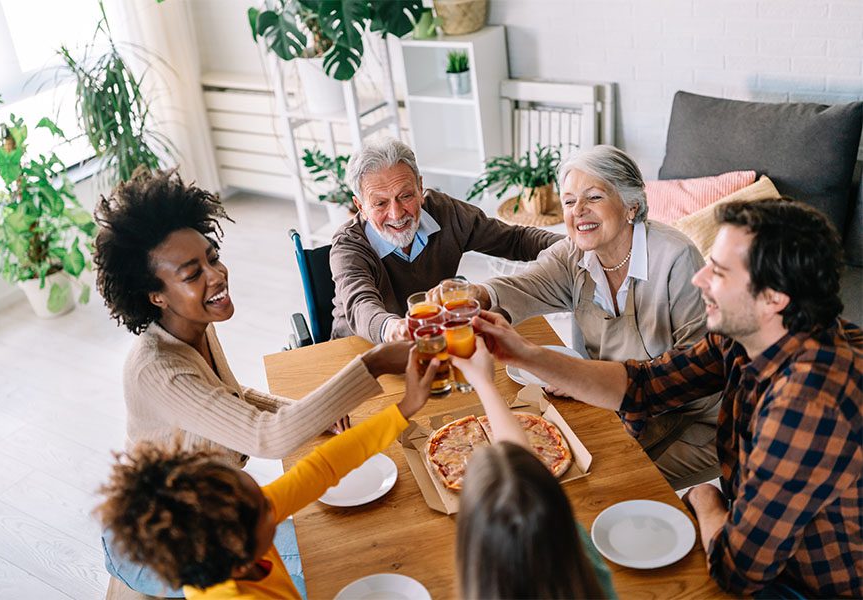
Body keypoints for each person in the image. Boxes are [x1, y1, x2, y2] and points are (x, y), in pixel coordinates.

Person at [472, 198, 861, 598]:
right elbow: (642, 385)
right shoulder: (755, 334)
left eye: (720, 273)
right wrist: (523, 352)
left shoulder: (808, 405)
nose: (700, 279)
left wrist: (705, 497)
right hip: (759, 535)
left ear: (773, 298)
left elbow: (738, 570)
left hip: (806, 584)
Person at [93, 168, 411, 597]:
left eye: (212, 257)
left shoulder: (193, 326)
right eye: (192, 274)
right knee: (339, 564)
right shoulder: (157, 367)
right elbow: (267, 438)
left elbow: (236, 399)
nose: (216, 274)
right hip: (165, 545)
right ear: (155, 295)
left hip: (216, 513)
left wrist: (307, 414)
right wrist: (371, 365)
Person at [462, 144, 719, 490]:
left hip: (692, 422)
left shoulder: (676, 258)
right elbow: (521, 286)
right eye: (569, 202)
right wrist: (479, 294)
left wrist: (586, 380)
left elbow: (696, 373)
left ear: (631, 205)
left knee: (593, 487)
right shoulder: (573, 254)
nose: (578, 211)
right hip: (612, 403)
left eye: (593, 197)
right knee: (542, 469)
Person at [95, 348, 440, 599]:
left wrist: (404, 408)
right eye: (264, 506)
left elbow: (320, 469)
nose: (272, 501)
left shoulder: (235, 530)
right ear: (240, 553)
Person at [329, 137, 562, 343]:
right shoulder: (348, 246)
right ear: (360, 206)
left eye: (406, 195)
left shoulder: (445, 212)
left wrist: (577, 246)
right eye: (380, 203)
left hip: (430, 342)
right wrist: (391, 328)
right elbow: (360, 303)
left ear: (420, 188)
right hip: (358, 352)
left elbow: (515, 240)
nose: (396, 213)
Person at [452, 338, 616, 599]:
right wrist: (484, 382)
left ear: (472, 547)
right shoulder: (582, 557)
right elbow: (522, 475)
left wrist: (482, 382)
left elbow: (521, 469)